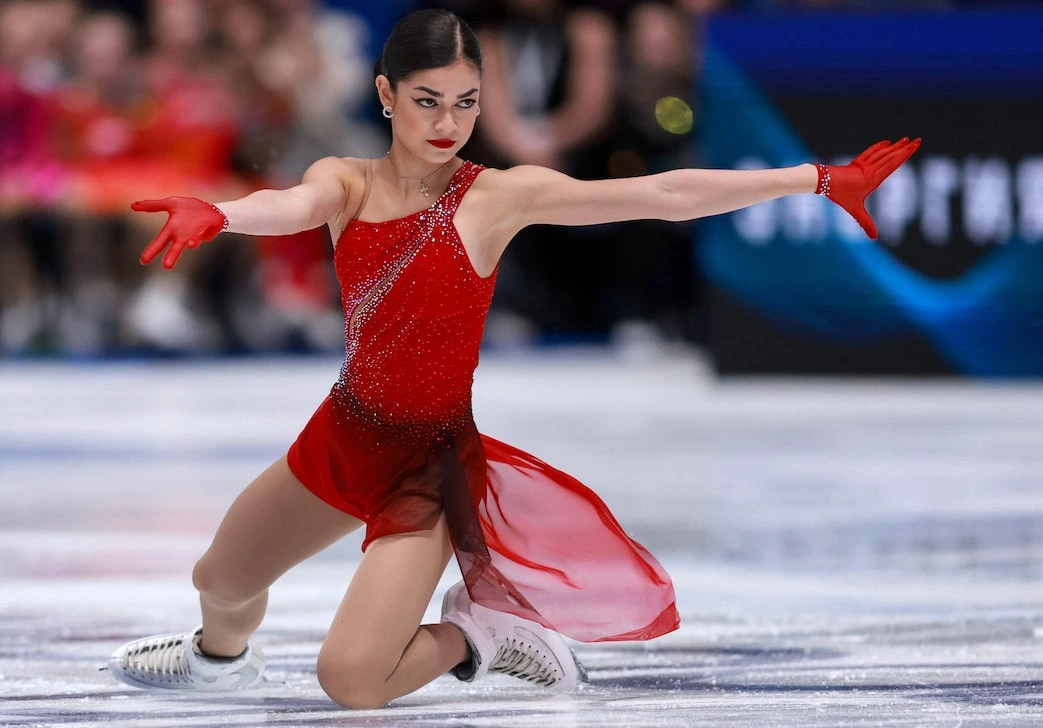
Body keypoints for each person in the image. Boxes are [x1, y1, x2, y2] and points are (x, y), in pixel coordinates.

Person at [108, 8, 920, 709]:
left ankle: (475, 637)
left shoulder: (496, 197)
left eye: (465, 102)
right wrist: (221, 214)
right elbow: (291, 204)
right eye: (427, 101)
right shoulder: (346, 181)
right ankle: (219, 661)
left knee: (351, 680)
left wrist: (816, 179)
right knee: (219, 581)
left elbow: (664, 194)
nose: (447, 123)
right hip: (345, 432)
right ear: (387, 94)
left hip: (428, 467)